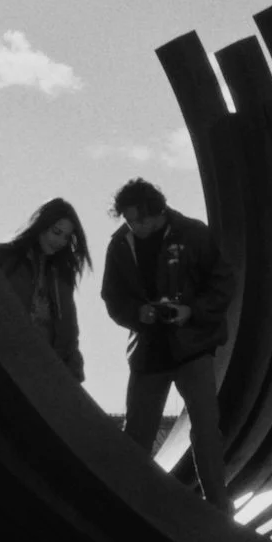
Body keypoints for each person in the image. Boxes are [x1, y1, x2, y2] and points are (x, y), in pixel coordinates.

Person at [100, 178, 235, 512]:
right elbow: (113, 297)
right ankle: (129, 506)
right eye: (129, 220)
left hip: (193, 346)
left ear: (157, 213)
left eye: (140, 220)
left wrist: (191, 311)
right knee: (137, 434)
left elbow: (222, 283)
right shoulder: (120, 245)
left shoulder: (193, 234)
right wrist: (138, 314)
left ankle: (218, 506)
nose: (135, 226)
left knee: (205, 428)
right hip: (148, 350)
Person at [0, 198, 89, 381]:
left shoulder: (62, 277)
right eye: (57, 232)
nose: (60, 241)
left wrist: (74, 371)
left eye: (67, 237)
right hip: (3, 359)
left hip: (45, 371)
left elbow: (68, 330)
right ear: (42, 225)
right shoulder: (3, 258)